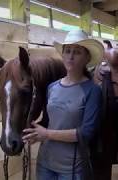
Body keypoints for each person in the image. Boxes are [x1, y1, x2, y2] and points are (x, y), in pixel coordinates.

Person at [22, 29, 103, 180]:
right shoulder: (52, 87)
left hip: (72, 169)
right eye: (67, 51)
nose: (70, 56)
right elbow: (48, 122)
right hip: (45, 164)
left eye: (77, 52)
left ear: (87, 58)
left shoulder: (93, 91)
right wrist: (30, 133)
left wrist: (46, 134)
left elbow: (86, 133)